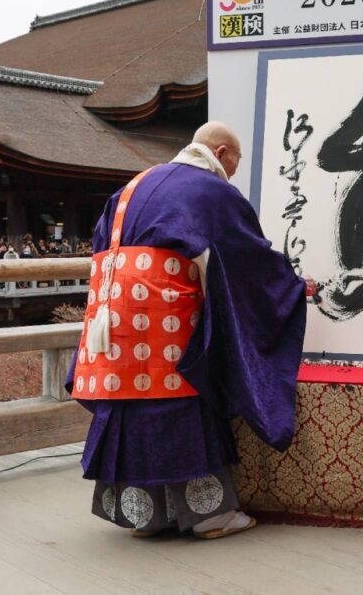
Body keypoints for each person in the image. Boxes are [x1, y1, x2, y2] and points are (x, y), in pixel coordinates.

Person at [70, 121, 316, 540]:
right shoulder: (211, 191)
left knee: (132, 403)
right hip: (164, 314)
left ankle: (145, 517)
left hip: (110, 317)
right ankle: (209, 516)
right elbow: (247, 260)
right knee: (180, 399)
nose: (234, 172)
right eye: (235, 162)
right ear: (220, 153)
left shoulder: (134, 185)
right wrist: (291, 285)